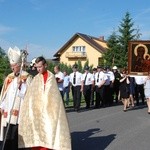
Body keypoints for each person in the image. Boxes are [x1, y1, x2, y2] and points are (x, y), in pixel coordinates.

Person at [18, 56, 71, 150]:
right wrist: (22, 85)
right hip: (37, 111)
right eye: (37, 67)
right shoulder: (36, 78)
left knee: (48, 133)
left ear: (45, 65)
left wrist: (47, 108)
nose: (38, 69)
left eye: (40, 67)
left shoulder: (51, 77)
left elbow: (53, 96)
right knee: (37, 133)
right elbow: (31, 93)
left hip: (48, 111)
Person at [0, 46, 32, 150]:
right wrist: (2, 106)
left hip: (19, 113)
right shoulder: (9, 77)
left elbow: (29, 95)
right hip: (7, 112)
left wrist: (21, 86)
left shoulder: (27, 77)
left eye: (13, 66)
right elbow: (4, 94)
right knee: (7, 136)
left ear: (19, 65)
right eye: (11, 66)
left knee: (16, 137)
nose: (12, 68)